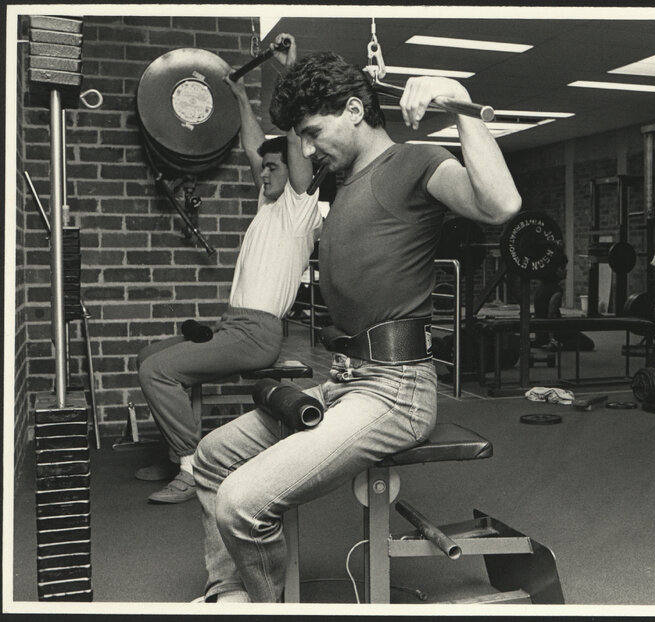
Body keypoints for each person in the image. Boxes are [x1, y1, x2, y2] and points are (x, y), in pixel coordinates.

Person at [190, 51, 521, 603]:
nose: (311, 148)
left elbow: (501, 204)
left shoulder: (417, 160)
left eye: (315, 133)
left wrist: (458, 98)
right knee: (212, 457)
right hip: (346, 379)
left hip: (396, 390)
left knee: (241, 501)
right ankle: (231, 592)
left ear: (352, 109)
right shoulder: (341, 182)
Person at [134, 34, 319, 504]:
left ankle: (191, 466)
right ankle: (176, 447)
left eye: (273, 168)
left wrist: (289, 70)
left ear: (295, 170)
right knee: (150, 358)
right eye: (262, 169)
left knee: (160, 372)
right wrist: (238, 95)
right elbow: (257, 145)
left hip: (256, 335)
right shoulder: (269, 200)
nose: (264, 173)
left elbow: (291, 141)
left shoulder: (301, 206)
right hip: (231, 324)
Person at [532, 253, 595, 351]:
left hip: (540, 331)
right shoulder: (556, 290)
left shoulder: (541, 287)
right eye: (562, 268)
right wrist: (552, 339)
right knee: (588, 343)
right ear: (556, 270)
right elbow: (551, 314)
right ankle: (559, 345)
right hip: (554, 331)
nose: (566, 270)